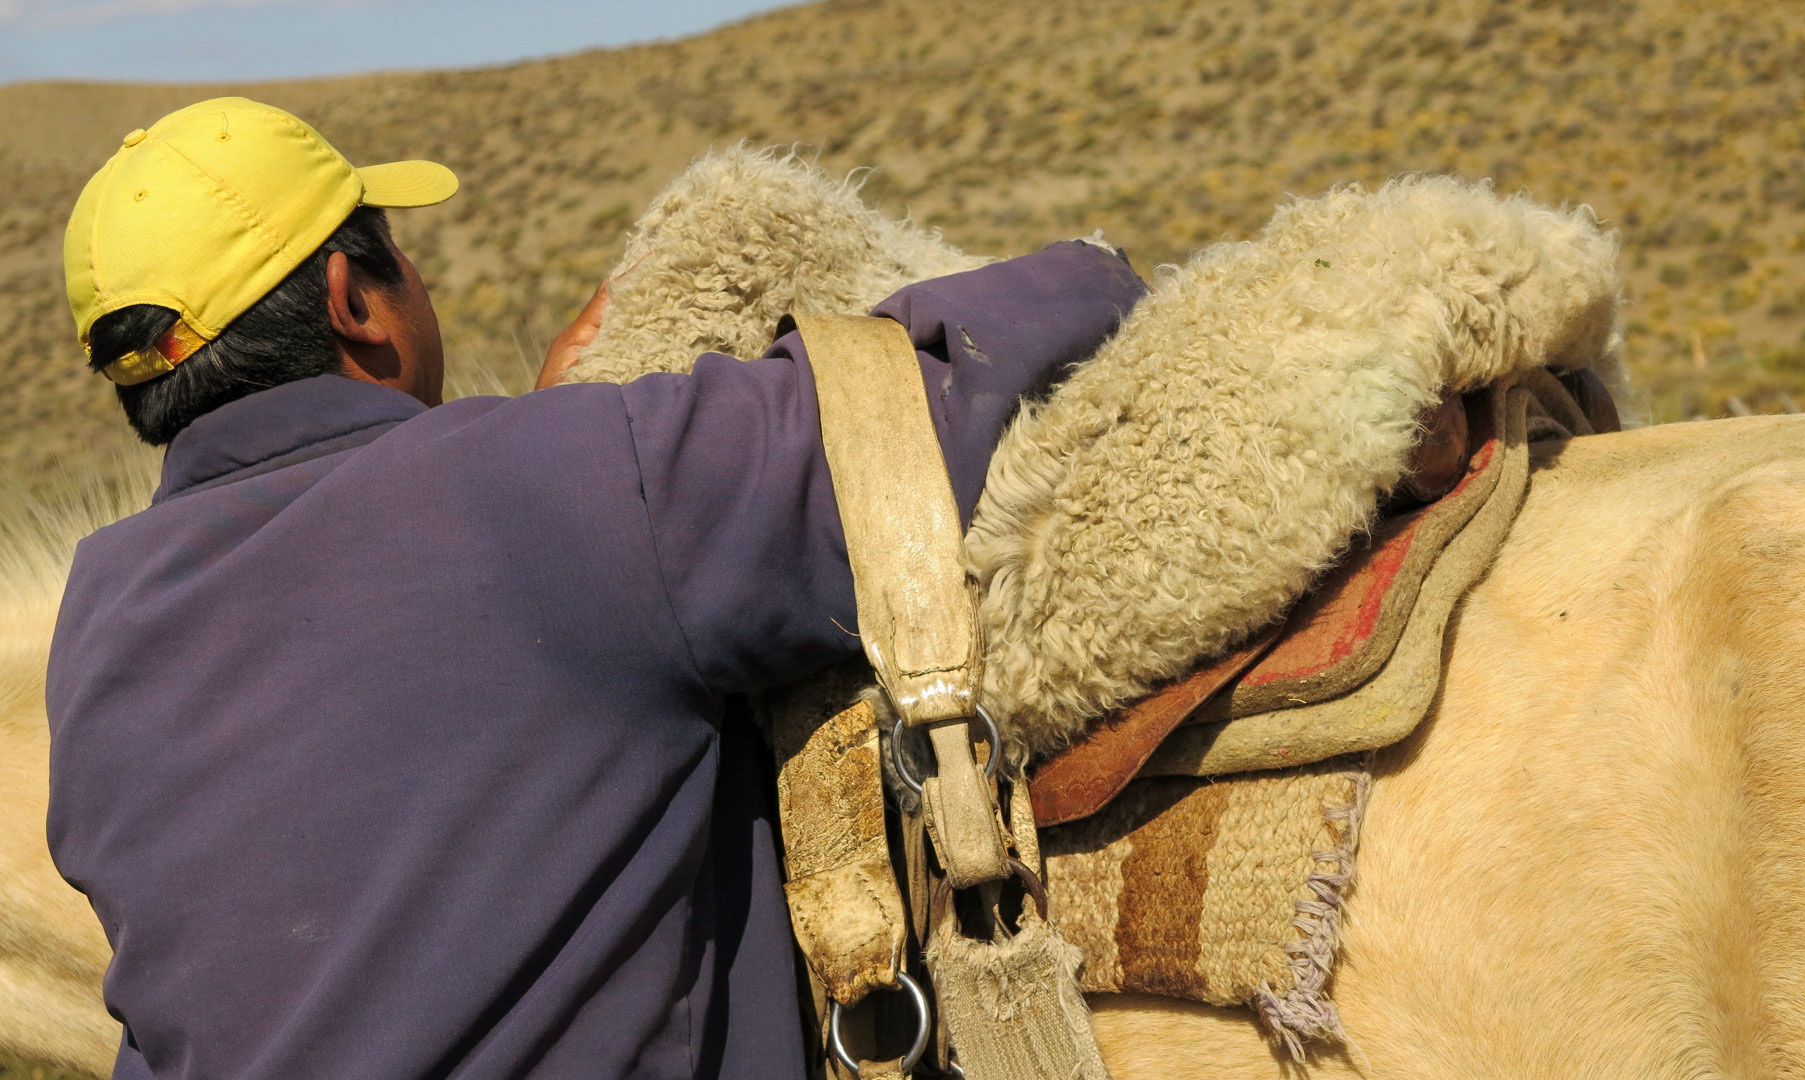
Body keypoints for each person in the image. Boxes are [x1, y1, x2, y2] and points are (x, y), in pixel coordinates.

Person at [45, 97, 1146, 1080]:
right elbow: (904, 405)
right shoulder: (548, 490)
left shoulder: (99, 628)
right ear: (352, 299)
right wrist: (1096, 268)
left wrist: (548, 456)